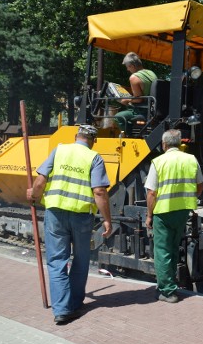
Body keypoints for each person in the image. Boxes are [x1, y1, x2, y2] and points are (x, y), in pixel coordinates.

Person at [27, 125, 112, 324]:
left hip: (55, 213)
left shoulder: (59, 150)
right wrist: (107, 219)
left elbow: (40, 181)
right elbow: (99, 191)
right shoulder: (94, 157)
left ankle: (62, 309)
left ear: (76, 136)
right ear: (94, 140)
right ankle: (74, 303)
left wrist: (35, 197)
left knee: (57, 261)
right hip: (82, 216)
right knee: (81, 261)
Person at [145, 129, 203, 303]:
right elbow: (200, 185)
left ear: (164, 144)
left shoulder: (158, 162)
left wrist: (149, 215)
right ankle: (170, 283)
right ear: (179, 143)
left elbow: (151, 193)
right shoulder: (191, 159)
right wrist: (191, 198)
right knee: (172, 248)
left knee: (162, 251)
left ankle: (167, 290)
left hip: (163, 212)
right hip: (182, 211)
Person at [114, 52, 157, 134]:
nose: (127, 70)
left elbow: (138, 100)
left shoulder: (134, 78)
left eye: (128, 67)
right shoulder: (151, 73)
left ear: (132, 66)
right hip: (153, 108)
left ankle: (130, 136)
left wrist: (126, 100)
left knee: (119, 117)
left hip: (143, 110)